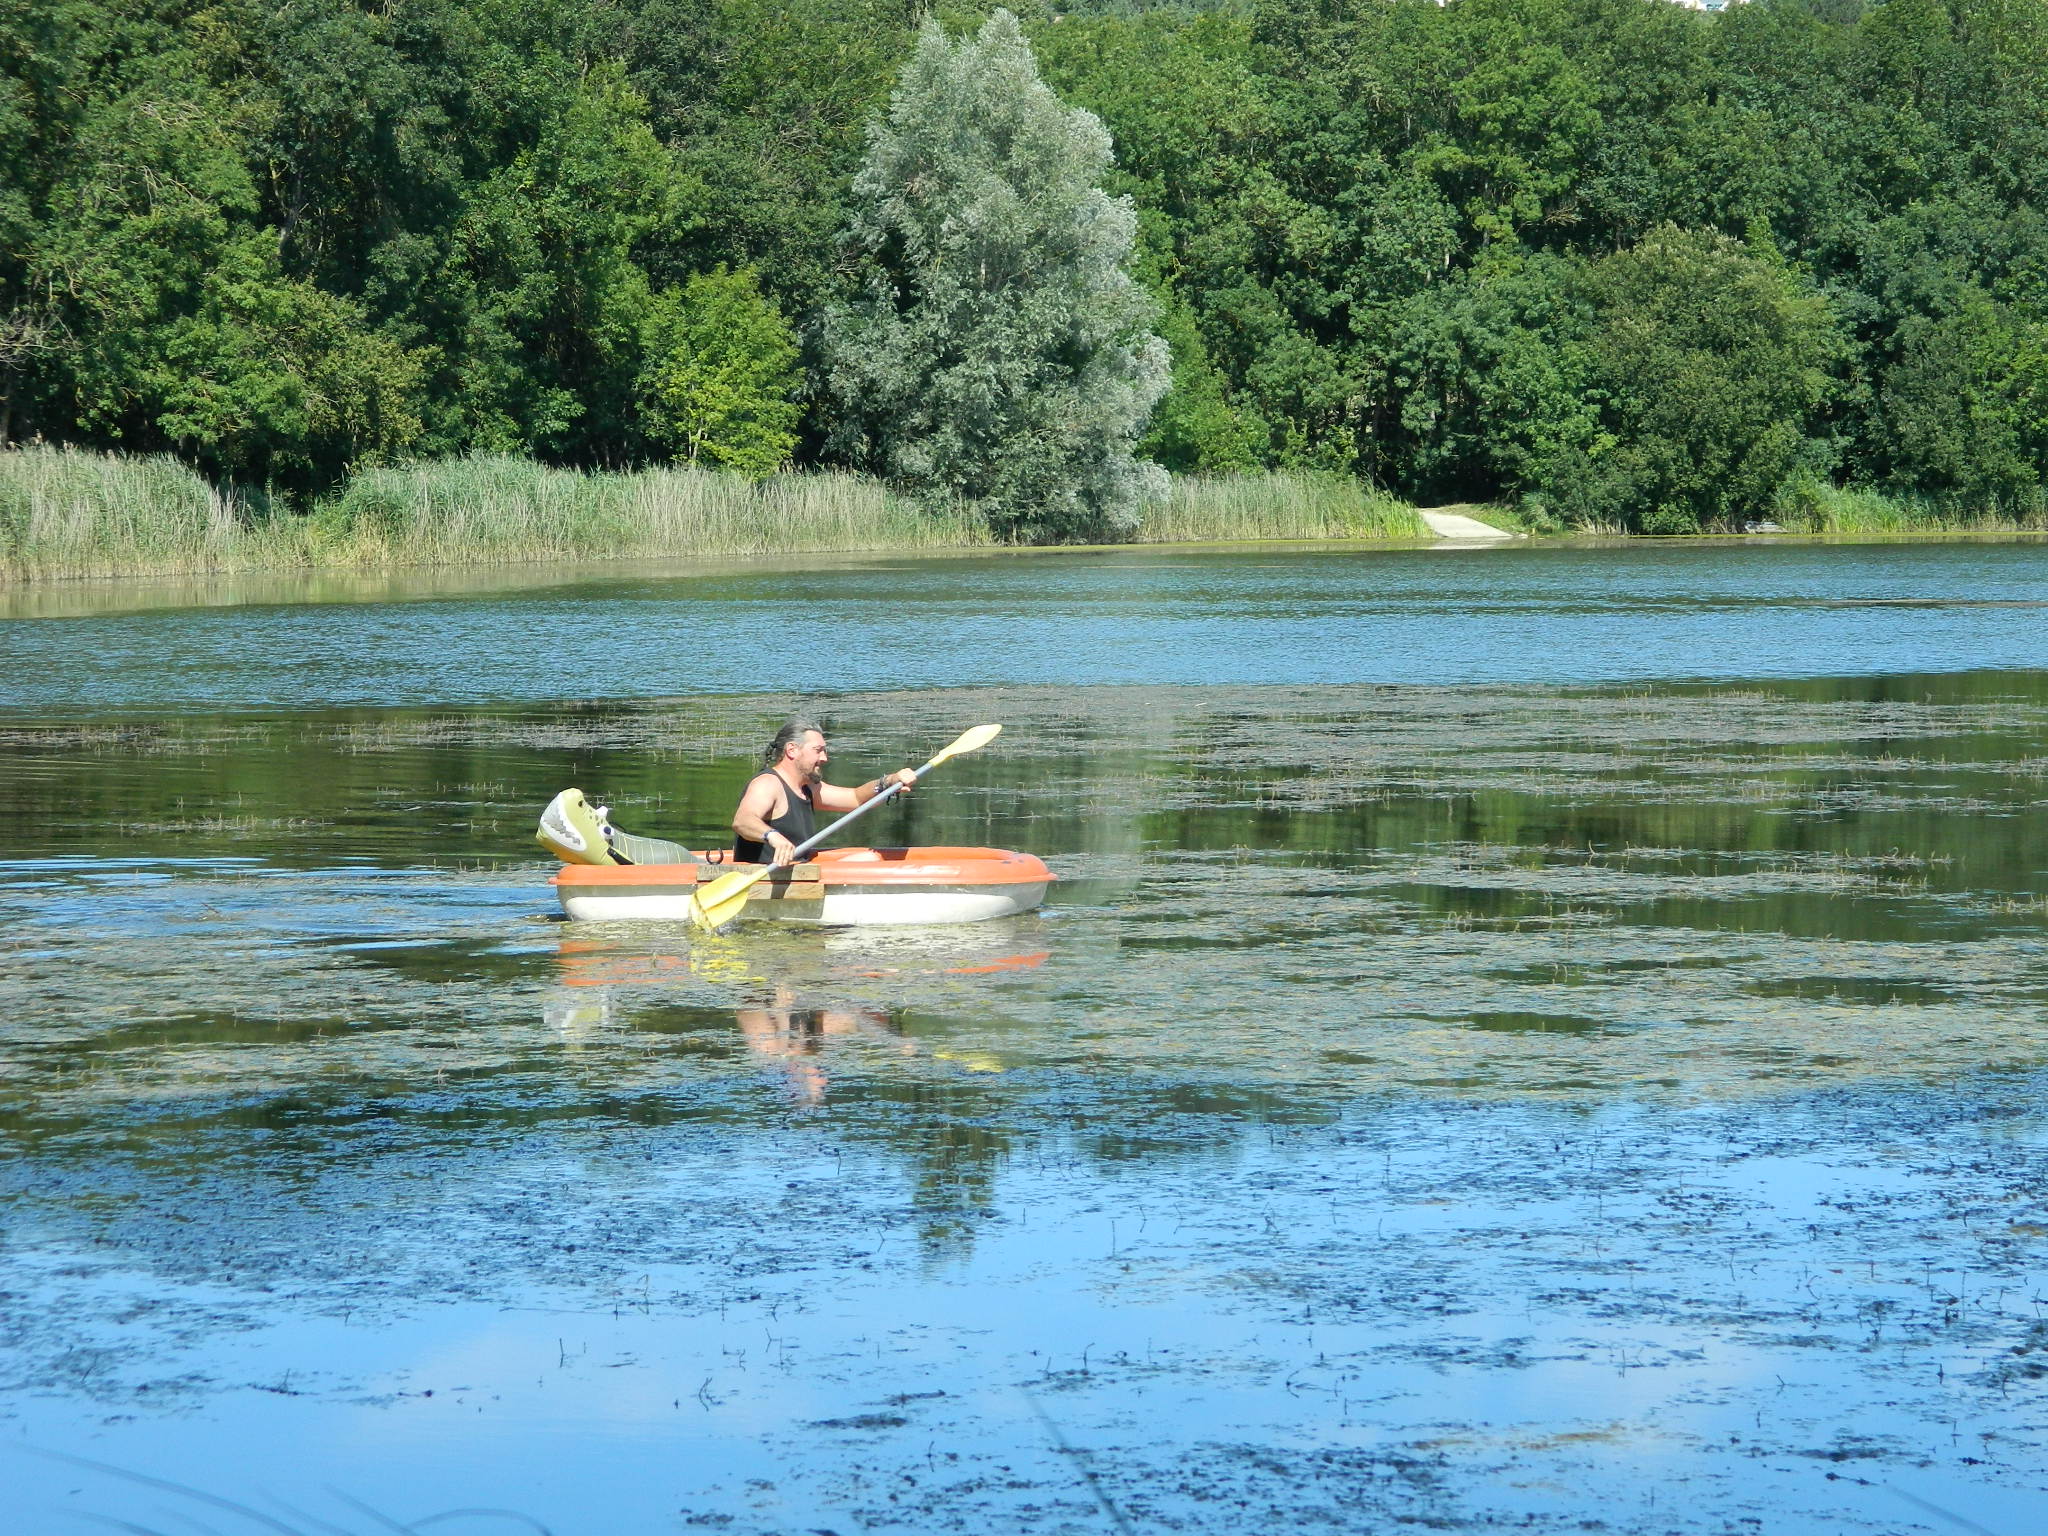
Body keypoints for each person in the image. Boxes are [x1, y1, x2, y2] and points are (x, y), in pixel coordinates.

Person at [730, 719, 916, 866]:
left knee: (867, 858)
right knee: (870, 861)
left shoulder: (808, 788)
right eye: (818, 750)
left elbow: (856, 798)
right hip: (764, 878)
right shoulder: (768, 783)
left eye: (824, 751)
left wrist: (889, 781)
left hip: (799, 871)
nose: (824, 758)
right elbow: (743, 821)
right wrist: (774, 837)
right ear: (792, 750)